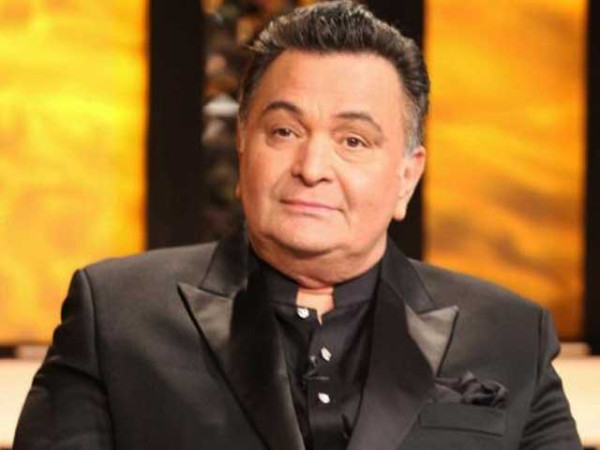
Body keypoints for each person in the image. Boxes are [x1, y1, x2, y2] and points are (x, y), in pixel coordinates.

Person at [14, 1, 581, 449]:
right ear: (242, 144)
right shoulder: (117, 316)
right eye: (284, 132)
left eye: (353, 141)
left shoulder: (511, 334)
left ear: (407, 177)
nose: (312, 168)